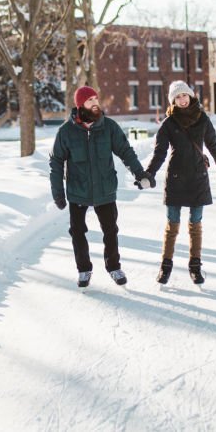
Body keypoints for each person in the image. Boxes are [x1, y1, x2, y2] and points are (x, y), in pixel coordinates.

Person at [49, 85, 150, 288]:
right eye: (90, 100)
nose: (95, 103)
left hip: (104, 189)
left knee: (110, 230)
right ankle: (84, 269)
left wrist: (140, 174)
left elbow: (125, 152)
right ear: (80, 105)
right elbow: (56, 162)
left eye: (96, 98)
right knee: (77, 232)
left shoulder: (109, 127)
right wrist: (58, 192)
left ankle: (113, 267)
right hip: (78, 191)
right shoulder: (66, 132)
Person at [143, 81, 216, 284]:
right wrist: (150, 173)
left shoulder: (202, 119)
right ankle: (165, 267)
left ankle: (195, 266)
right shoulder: (169, 123)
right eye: (177, 97)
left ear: (191, 96)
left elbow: (213, 145)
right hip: (175, 178)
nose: (182, 100)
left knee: (195, 224)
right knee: (172, 225)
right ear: (173, 101)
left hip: (198, 177)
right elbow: (159, 153)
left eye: (184, 96)